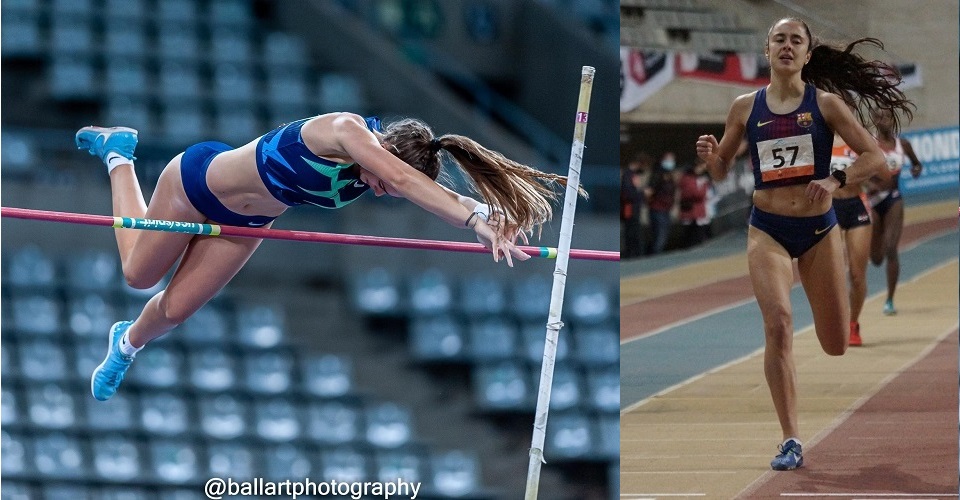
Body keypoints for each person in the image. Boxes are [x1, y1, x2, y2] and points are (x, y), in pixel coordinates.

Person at [75, 113, 581, 401]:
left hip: (247, 223)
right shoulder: (344, 131)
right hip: (192, 185)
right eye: (383, 183)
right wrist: (470, 220)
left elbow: (415, 186)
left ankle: (126, 344)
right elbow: (402, 179)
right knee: (139, 274)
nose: (383, 193)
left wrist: (488, 212)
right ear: (380, 154)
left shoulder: (391, 170)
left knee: (176, 309)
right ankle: (120, 156)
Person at [696, 17, 911, 470]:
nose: (787, 46)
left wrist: (836, 179)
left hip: (818, 232)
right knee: (778, 323)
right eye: (779, 39)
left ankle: (837, 332)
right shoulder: (744, 107)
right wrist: (711, 157)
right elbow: (720, 171)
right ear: (768, 50)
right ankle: (790, 438)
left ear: (808, 55)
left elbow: (874, 157)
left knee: (834, 343)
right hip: (767, 230)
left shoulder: (827, 104)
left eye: (797, 41)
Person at [867, 107, 923, 316]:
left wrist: (916, 170)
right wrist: (868, 183)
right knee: (876, 258)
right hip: (872, 202)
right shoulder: (867, 143)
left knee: (891, 248)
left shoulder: (903, 145)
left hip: (893, 199)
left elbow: (917, 165)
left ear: (893, 119)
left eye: (888, 116)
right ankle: (877, 246)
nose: (885, 120)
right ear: (874, 119)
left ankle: (889, 300)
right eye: (880, 117)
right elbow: (855, 169)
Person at [830, 134, 872, 347]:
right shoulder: (820, 138)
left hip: (856, 206)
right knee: (834, 271)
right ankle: (836, 320)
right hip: (830, 208)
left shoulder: (857, 139)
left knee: (857, 275)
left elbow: (875, 168)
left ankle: (853, 323)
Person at [645, 152, 677, 254]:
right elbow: (648, 192)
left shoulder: (670, 176)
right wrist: (651, 203)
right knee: (659, 237)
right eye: (668, 160)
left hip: (665, 210)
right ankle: (654, 259)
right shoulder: (657, 174)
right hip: (657, 210)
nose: (671, 162)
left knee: (663, 236)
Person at [621, 153, 650, 258]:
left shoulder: (632, 175)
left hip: (634, 208)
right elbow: (628, 193)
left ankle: (634, 253)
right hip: (630, 209)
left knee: (635, 231)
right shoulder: (628, 175)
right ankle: (632, 253)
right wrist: (642, 194)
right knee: (631, 232)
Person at [678, 158, 712, 248]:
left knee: (700, 234)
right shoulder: (687, 178)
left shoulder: (701, 178)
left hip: (698, 212)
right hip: (690, 211)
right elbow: (694, 194)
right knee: (690, 235)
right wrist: (704, 187)